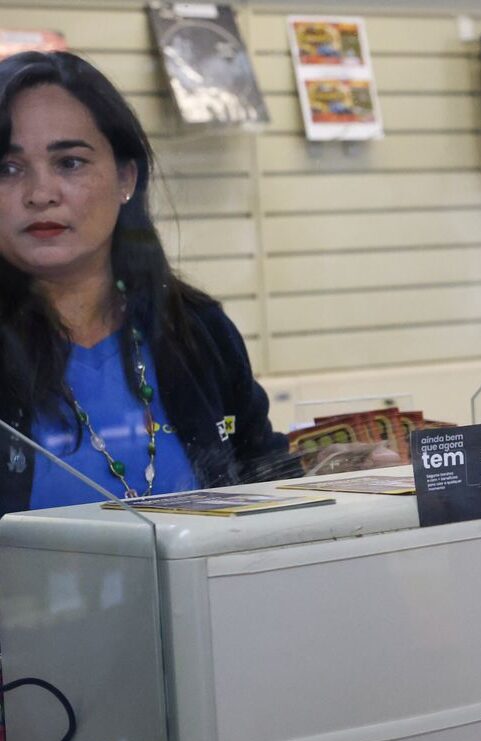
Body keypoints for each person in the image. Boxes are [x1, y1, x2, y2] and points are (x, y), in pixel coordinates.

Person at [0, 50, 297, 516]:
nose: (41, 193)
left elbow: (263, 478)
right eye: (8, 169)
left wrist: (343, 472)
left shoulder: (198, 329)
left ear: (125, 177)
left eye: (70, 163)